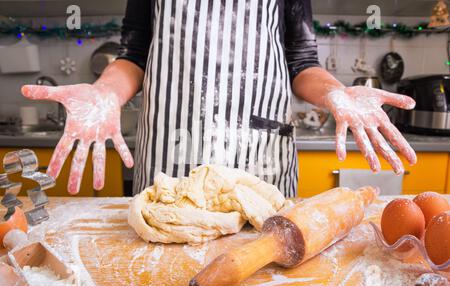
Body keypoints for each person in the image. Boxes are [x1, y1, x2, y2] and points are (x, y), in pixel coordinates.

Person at [21, 0, 417, 197]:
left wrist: (335, 93)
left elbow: (301, 62)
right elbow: (134, 55)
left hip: (261, 165)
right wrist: (105, 92)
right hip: (170, 161)